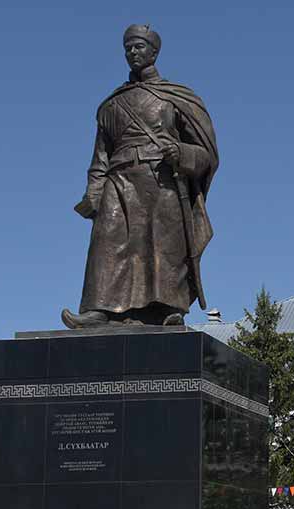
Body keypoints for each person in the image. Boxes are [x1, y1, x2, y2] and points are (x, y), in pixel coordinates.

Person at [62, 24, 219, 328]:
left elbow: (207, 154)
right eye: (128, 48)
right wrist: (93, 193)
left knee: (163, 244)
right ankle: (99, 309)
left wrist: (182, 152)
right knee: (107, 241)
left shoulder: (176, 98)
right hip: (118, 180)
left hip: (161, 179)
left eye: (139, 47)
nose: (133, 52)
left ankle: (168, 308)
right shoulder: (111, 104)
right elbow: (100, 157)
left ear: (154, 52)